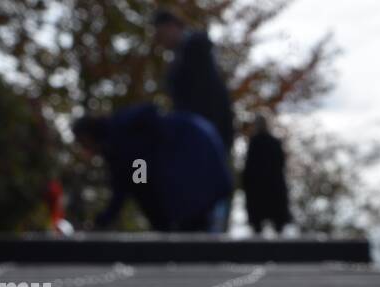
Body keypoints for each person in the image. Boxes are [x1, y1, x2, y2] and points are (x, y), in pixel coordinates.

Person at [73, 103, 232, 232]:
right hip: (199, 150)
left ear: (87, 136)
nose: (84, 150)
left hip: (192, 160)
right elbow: (132, 183)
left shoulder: (123, 141)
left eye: (82, 143)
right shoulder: (122, 133)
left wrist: (160, 225)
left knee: (192, 226)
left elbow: (138, 183)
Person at [154, 10, 235, 228]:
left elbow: (204, 99)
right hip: (201, 135)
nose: (162, 42)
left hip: (203, 136)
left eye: (162, 34)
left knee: (208, 193)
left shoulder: (194, 53)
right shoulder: (187, 55)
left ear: (172, 25)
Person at [242, 114, 292, 236]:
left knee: (260, 227)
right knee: (274, 227)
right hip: (269, 189)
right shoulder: (271, 142)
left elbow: (249, 168)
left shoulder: (255, 143)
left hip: (261, 190)